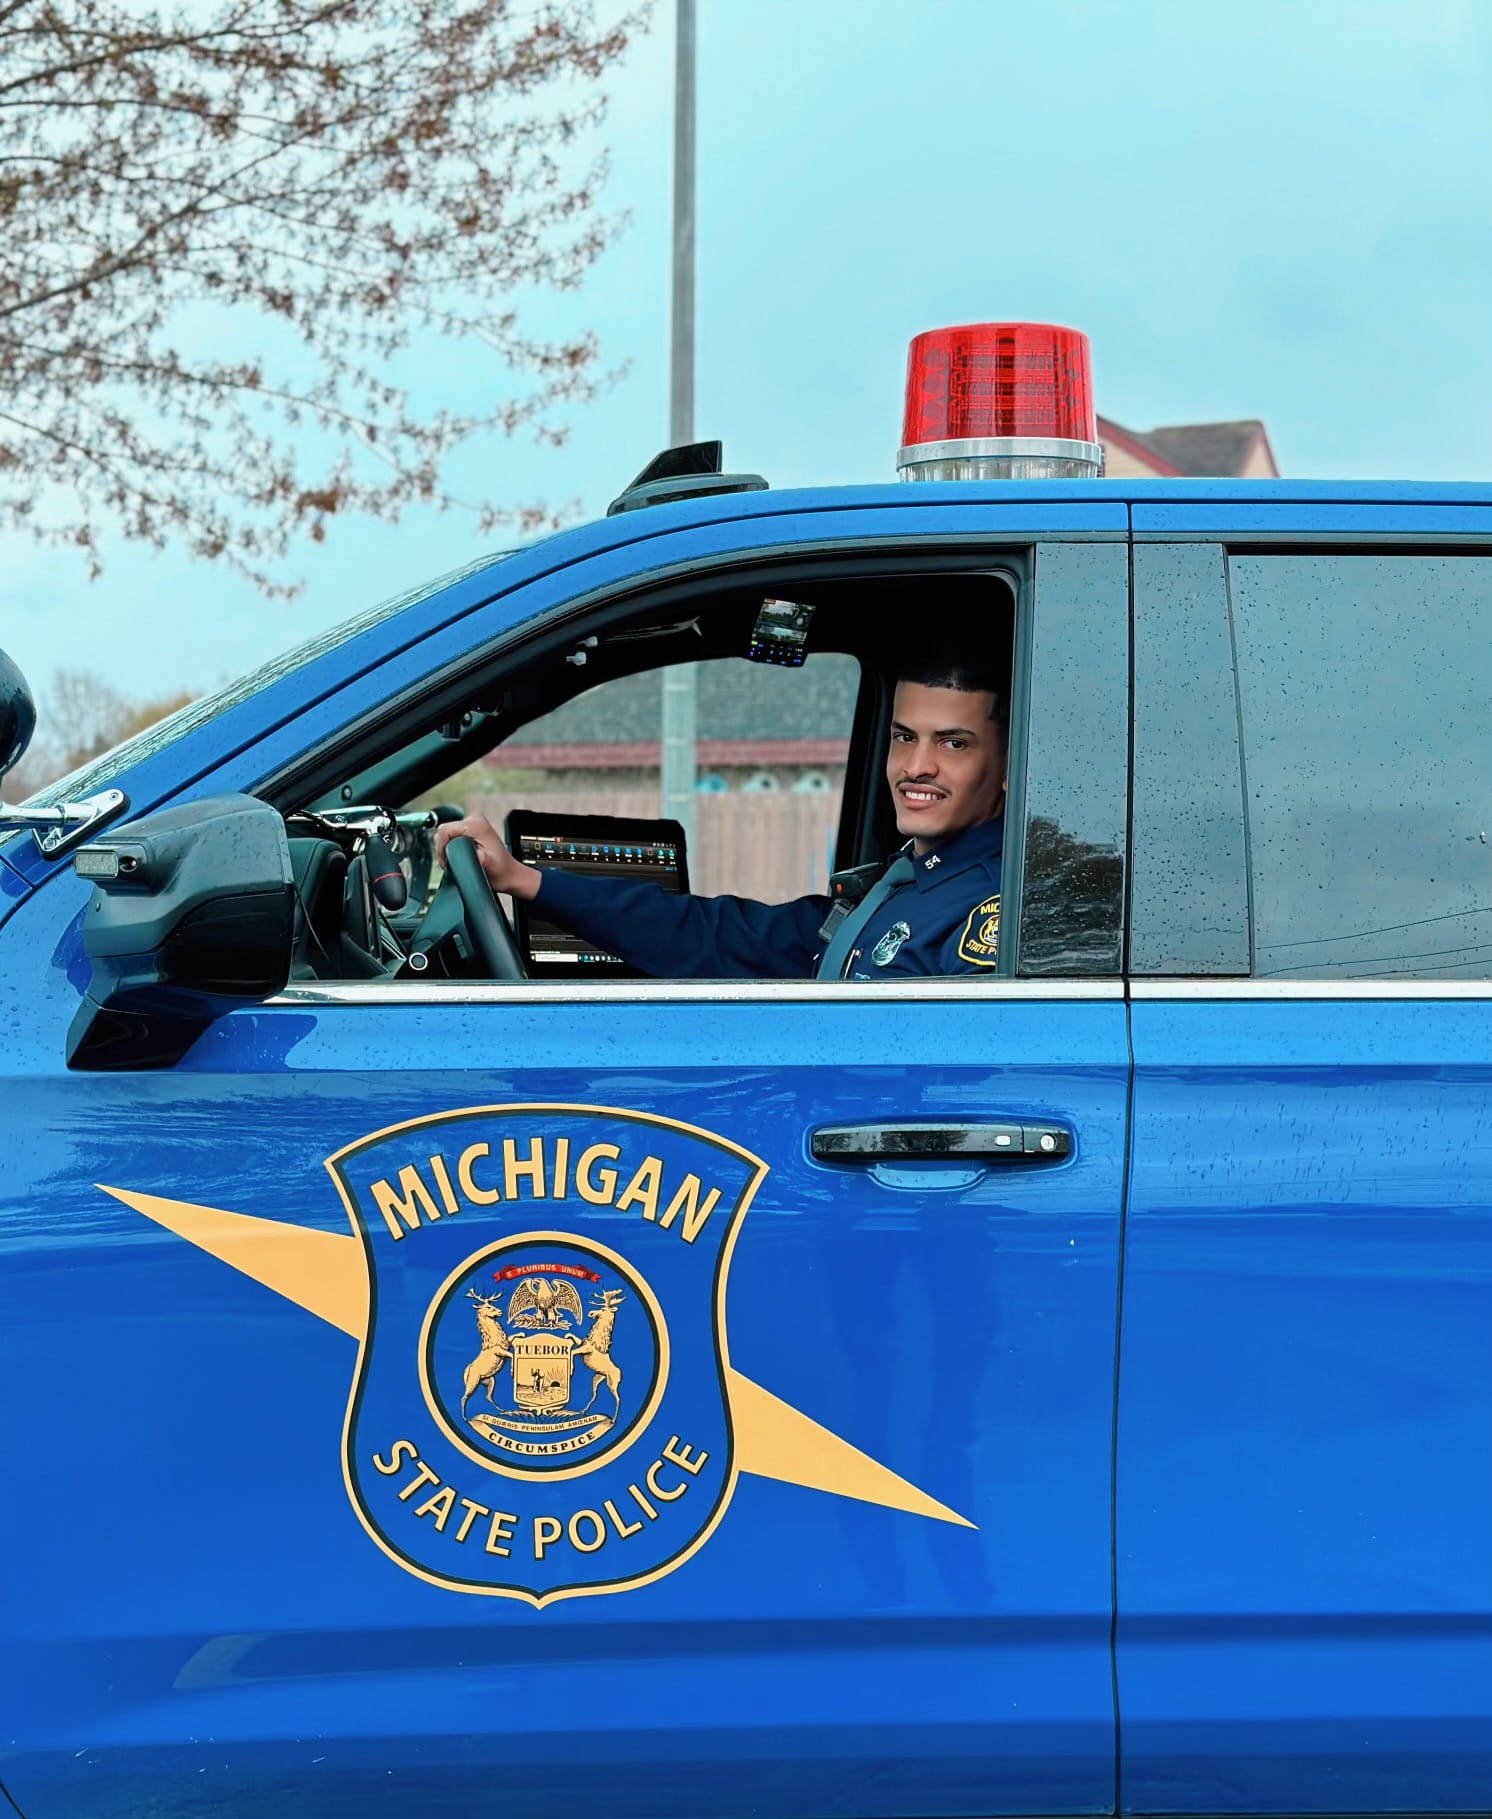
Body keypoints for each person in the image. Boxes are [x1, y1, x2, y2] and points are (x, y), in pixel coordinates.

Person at [435, 646, 1007, 981]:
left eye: (953, 744)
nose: (917, 766)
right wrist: (525, 880)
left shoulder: (992, 915)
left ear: (1009, 767)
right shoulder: (900, 888)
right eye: (904, 737)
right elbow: (716, 934)